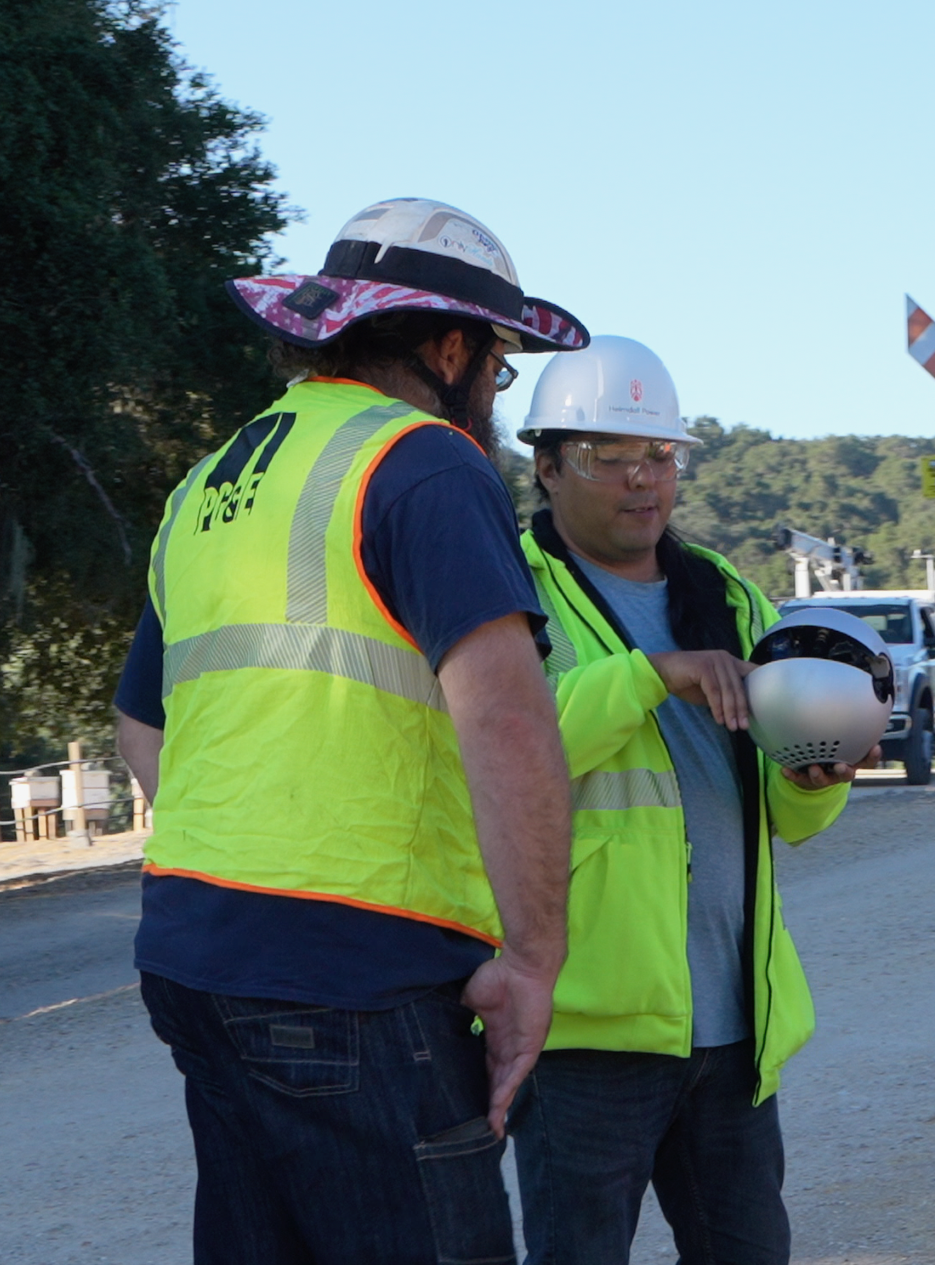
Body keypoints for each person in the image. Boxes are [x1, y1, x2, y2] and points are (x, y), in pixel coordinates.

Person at [114, 198, 589, 1265]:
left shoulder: (209, 484)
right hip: (358, 976)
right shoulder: (423, 461)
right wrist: (533, 961)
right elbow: (506, 719)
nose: (494, 403)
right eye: (499, 373)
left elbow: (142, 725)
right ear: (451, 347)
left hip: (194, 955)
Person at [507, 335, 877, 1265]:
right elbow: (503, 748)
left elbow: (785, 818)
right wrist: (649, 675)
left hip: (731, 1021)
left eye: (661, 456)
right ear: (546, 466)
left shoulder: (729, 593)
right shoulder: (511, 590)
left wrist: (811, 775)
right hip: (584, 1029)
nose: (644, 481)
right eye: (609, 457)